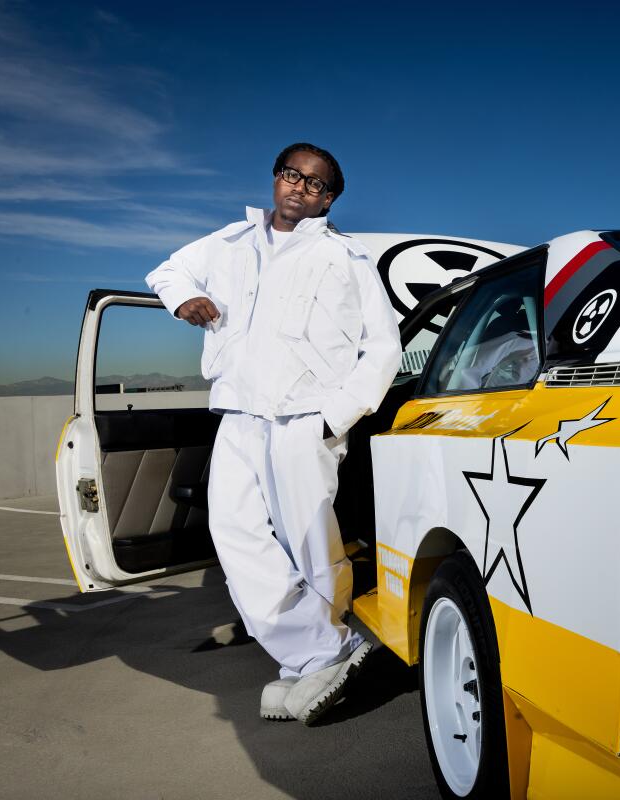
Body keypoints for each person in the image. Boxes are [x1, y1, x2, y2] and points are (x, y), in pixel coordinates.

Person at [146, 143, 402, 724]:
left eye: (315, 185)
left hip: (304, 418)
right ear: (275, 179)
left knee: (309, 541)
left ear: (329, 198)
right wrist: (183, 297)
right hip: (238, 414)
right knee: (235, 537)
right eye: (292, 176)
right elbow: (168, 270)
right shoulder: (229, 243)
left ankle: (317, 654)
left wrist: (334, 418)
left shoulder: (346, 259)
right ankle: (314, 654)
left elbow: (382, 347)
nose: (300, 189)